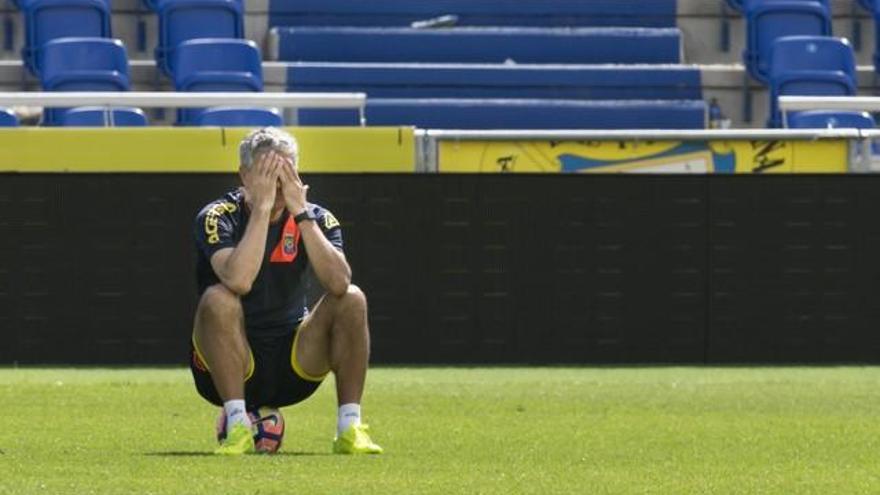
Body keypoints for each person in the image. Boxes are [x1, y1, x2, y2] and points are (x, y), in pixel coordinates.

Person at [190, 127, 383, 455]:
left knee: (352, 297)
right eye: (267, 172)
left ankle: (350, 428)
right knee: (218, 298)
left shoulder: (317, 217)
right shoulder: (217, 216)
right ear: (244, 175)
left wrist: (302, 214)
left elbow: (338, 282)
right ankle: (238, 425)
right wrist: (263, 210)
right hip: (229, 363)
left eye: (286, 171)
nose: (278, 183)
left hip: (293, 361)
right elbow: (239, 279)